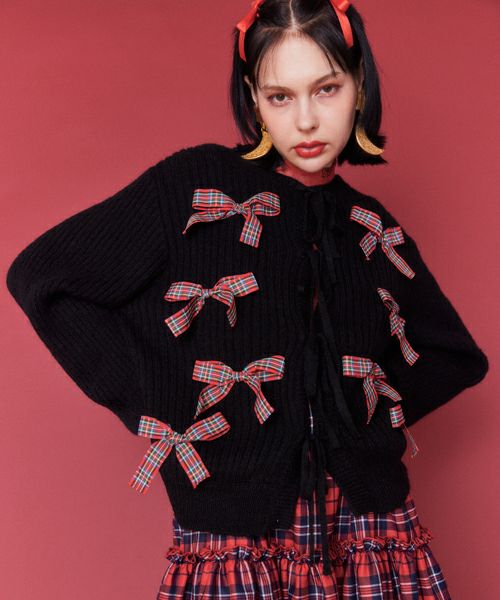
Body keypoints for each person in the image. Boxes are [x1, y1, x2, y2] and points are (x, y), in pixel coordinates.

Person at [6, 1, 489, 598]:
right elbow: (42, 277)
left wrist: (352, 418)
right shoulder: (193, 187)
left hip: (369, 530)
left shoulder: (369, 223)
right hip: (235, 537)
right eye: (280, 96)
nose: (306, 120)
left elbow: (453, 356)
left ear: (360, 86)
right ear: (253, 100)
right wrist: (155, 397)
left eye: (327, 89)